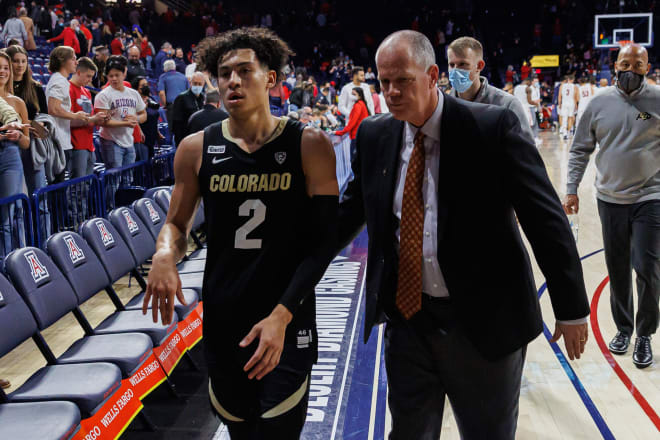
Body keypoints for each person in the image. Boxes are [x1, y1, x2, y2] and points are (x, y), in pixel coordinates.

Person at [337, 30, 590, 440]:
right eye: (384, 82)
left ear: (433, 74)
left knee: (486, 433)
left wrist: (571, 306)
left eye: (403, 80)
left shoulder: (493, 126)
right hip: (408, 319)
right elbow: (346, 215)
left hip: (483, 319)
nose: (392, 92)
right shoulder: (375, 134)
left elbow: (545, 219)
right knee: (408, 432)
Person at [144, 26, 338, 439]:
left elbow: (322, 246)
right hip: (224, 317)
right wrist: (163, 254)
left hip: (286, 318)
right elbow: (176, 224)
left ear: (270, 78)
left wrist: (283, 314)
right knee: (241, 433)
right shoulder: (196, 149)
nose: (233, 80)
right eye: (224, 72)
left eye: (244, 71)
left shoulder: (310, 144)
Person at [564, 44, 659, 369]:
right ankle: (623, 328)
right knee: (618, 267)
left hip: (650, 197)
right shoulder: (598, 103)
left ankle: (644, 333)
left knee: (646, 268)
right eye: (625, 63)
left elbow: (648, 121)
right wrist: (571, 188)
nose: (630, 69)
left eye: (638, 64)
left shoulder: (656, 101)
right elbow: (579, 149)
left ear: (647, 67)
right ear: (614, 65)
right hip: (610, 199)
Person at [446, 36, 534, 142]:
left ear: (479, 66)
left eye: (462, 64)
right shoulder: (443, 106)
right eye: (451, 65)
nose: (455, 70)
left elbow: (526, 154)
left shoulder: (508, 105)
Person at [94, 55, 146, 169]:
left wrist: (135, 119)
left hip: (129, 140)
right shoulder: (103, 95)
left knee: (128, 178)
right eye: (110, 76)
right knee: (114, 180)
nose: (114, 78)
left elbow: (143, 114)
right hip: (111, 141)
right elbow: (103, 122)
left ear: (124, 74)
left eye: (117, 75)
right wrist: (125, 123)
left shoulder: (133, 93)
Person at [46, 46, 89, 181]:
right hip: (58, 141)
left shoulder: (60, 80)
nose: (76, 62)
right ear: (62, 61)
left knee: (59, 186)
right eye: (73, 59)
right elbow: (53, 108)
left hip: (62, 140)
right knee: (58, 188)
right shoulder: (59, 80)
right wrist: (75, 115)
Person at [69, 57, 107, 178]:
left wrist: (99, 119)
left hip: (89, 145)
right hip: (75, 146)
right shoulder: (68, 89)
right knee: (76, 188)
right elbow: (67, 121)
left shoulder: (86, 91)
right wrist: (92, 119)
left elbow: (90, 118)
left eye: (92, 77)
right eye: (88, 76)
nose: (90, 80)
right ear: (78, 72)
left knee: (86, 186)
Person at [171, 71, 205, 145]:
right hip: (186, 138)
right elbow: (176, 124)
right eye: (195, 83)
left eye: (200, 84)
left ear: (203, 84)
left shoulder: (204, 98)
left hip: (201, 138)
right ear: (190, 83)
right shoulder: (181, 98)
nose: (197, 86)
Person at [334, 87, 370, 158]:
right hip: (361, 135)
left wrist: (340, 132)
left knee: (354, 160)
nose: (351, 96)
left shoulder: (358, 106)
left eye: (354, 94)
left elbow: (352, 123)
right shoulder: (362, 104)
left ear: (359, 95)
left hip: (356, 135)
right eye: (351, 94)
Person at [133, 76, 162, 160]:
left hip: (152, 137)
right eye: (143, 85)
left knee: (151, 164)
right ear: (137, 89)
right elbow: (135, 119)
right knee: (144, 164)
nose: (146, 87)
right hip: (142, 139)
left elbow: (154, 117)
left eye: (146, 84)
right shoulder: (135, 101)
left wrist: (158, 133)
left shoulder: (150, 99)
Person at [158, 59, 189, 126]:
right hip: (184, 106)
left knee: (172, 129)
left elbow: (161, 93)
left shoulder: (163, 77)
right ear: (174, 67)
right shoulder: (183, 77)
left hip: (172, 107)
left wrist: (164, 105)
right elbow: (189, 91)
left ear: (164, 68)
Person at [558, 74, 578, 139]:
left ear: (568, 79)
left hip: (564, 103)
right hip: (571, 103)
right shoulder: (574, 86)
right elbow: (575, 97)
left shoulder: (562, 86)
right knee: (570, 118)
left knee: (564, 118)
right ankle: (569, 132)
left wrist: (559, 104)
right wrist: (576, 105)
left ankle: (564, 133)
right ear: (572, 80)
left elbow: (559, 96)